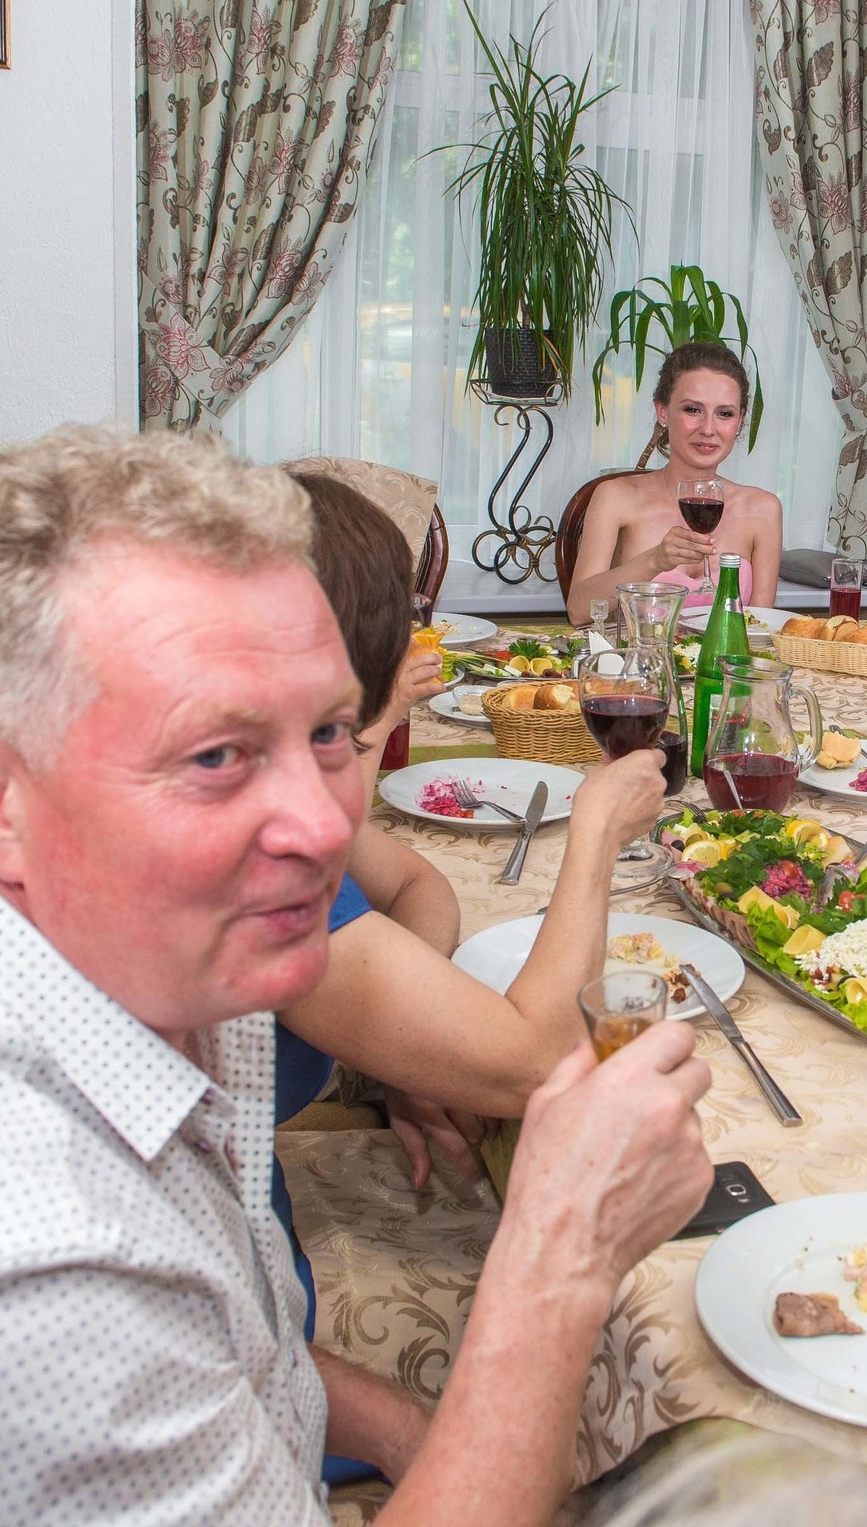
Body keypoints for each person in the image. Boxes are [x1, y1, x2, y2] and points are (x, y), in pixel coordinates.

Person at [0, 427, 712, 1526]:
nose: (321, 824)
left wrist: (404, 1430)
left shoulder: (156, 955)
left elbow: (236, 1331)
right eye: (216, 755)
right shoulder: (6, 1276)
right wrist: (560, 1257)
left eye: (329, 730)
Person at [274, 468, 667, 1209]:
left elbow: (417, 884)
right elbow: (537, 1062)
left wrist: (402, 1042)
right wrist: (596, 835)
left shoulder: (277, 780)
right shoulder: (267, 851)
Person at [565, 341, 781, 623]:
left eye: (724, 414)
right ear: (662, 412)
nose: (708, 429)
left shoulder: (763, 509)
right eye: (692, 410)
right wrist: (654, 561)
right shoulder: (615, 496)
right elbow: (579, 611)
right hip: (640, 664)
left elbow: (761, 630)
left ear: (739, 422)